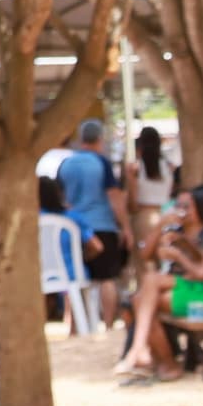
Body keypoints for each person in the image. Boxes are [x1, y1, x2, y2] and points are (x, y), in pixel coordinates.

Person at [127, 182, 203, 379]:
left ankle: (157, 358)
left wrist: (178, 256)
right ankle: (153, 357)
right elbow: (202, 262)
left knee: (142, 298)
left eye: (188, 207)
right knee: (147, 286)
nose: (185, 212)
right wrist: (183, 243)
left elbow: (202, 273)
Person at [59, 118, 125, 287]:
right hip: (102, 226)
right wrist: (125, 226)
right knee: (106, 279)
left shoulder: (66, 163)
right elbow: (114, 196)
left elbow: (62, 199)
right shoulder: (101, 162)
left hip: (74, 229)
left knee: (78, 280)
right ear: (100, 139)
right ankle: (108, 315)